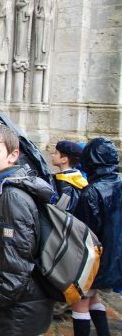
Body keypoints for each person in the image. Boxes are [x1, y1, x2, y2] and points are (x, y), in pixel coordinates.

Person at [0, 124, 53, 336]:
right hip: (16, 302)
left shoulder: (10, 197)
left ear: (13, 155)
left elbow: (14, 262)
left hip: (18, 307)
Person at [70, 137, 122, 336]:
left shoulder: (91, 192)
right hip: (114, 258)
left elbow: (83, 232)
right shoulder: (119, 184)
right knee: (94, 298)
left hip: (95, 258)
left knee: (80, 304)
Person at [51, 140, 87, 212]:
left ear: (64, 160)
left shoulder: (66, 183)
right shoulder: (76, 178)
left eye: (56, 153)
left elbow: (62, 210)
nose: (52, 155)